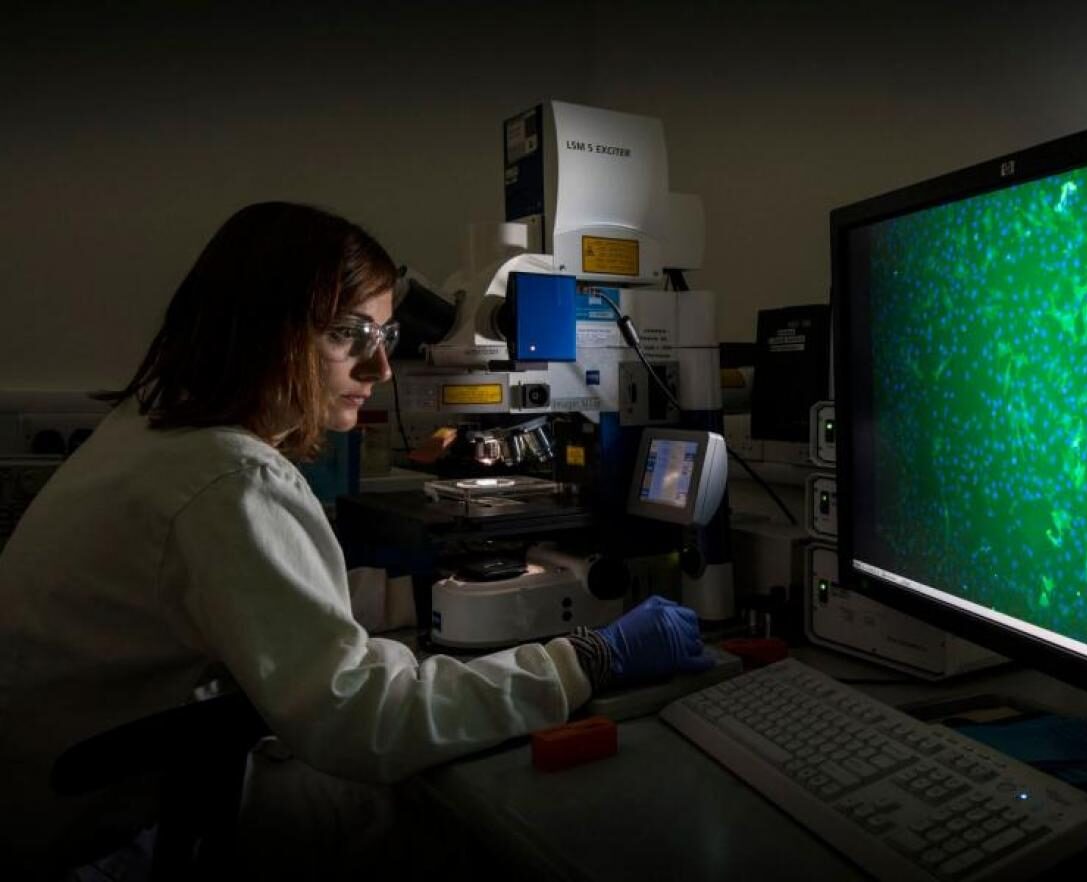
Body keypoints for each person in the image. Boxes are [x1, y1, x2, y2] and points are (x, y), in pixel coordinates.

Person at [0, 202, 712, 879]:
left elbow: (249, 602)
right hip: (107, 841)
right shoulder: (229, 479)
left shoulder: (148, 433)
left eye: (384, 337)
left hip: (55, 795)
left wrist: (406, 596)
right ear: (262, 330)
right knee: (461, 822)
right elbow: (364, 720)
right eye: (350, 335)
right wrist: (588, 656)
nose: (378, 370)